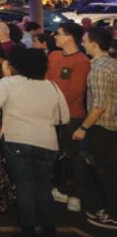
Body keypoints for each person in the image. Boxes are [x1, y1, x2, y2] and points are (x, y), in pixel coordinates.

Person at [0, 48, 69, 237]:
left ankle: (28, 230)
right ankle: (49, 230)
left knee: (24, 186)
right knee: (43, 186)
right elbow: (63, 117)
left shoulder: (8, 84)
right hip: (47, 142)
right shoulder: (52, 86)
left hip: (17, 139)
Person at [72, 28, 117, 229]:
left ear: (95, 44)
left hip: (103, 128)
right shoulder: (112, 63)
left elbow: (98, 104)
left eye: (85, 41)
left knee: (106, 174)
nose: (83, 44)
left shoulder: (98, 69)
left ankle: (111, 214)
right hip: (113, 126)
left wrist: (83, 127)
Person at [46, 23, 91, 212]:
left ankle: (75, 194)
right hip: (50, 115)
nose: (55, 36)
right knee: (53, 155)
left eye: (59, 34)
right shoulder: (53, 56)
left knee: (73, 158)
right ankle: (58, 187)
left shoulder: (82, 61)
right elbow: (46, 80)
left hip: (72, 116)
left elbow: (76, 90)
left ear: (70, 37)